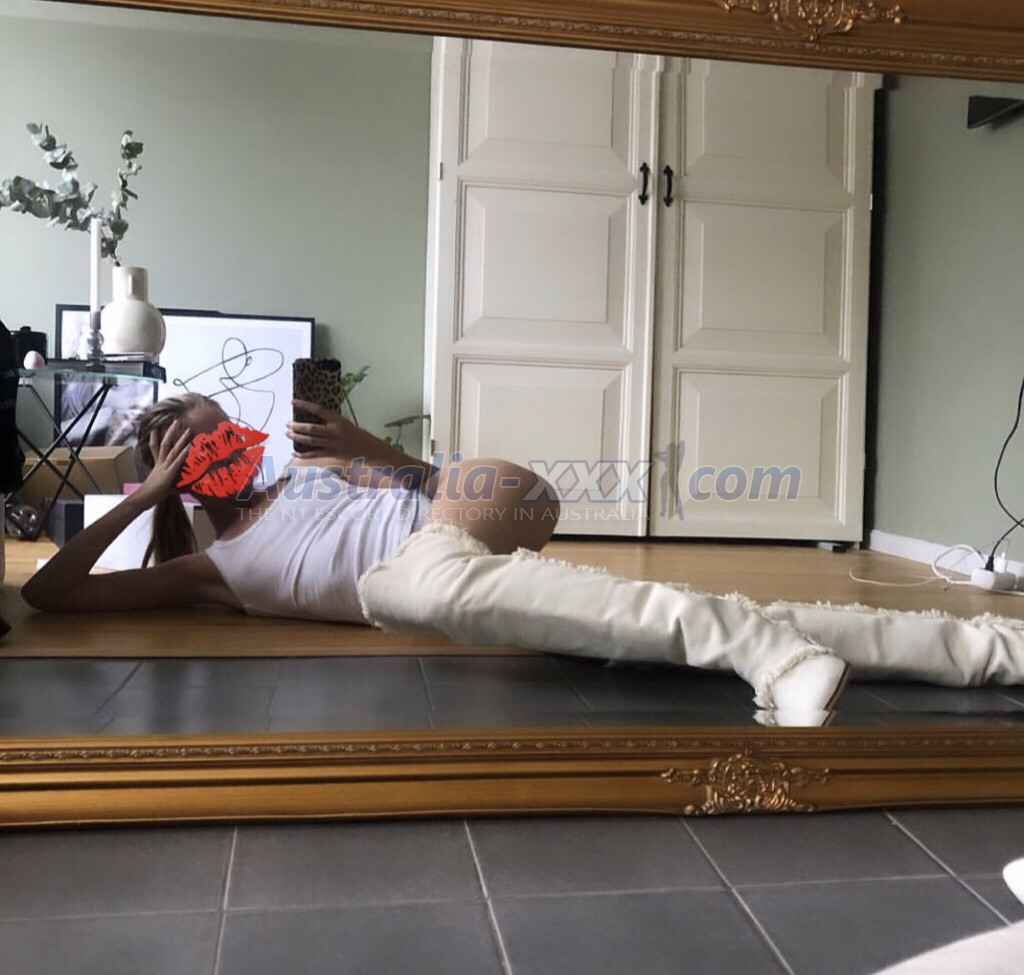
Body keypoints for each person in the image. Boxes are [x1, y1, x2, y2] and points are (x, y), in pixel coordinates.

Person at [21, 394, 1024, 715]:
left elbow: (454, 491)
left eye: (222, 425)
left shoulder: (315, 470)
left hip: (479, 500)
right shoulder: (209, 571)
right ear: (179, 475)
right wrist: (145, 497)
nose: (225, 442)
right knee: (625, 629)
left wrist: (369, 451)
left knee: (411, 585)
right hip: (454, 570)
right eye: (195, 445)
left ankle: (766, 653)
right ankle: (984, 652)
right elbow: (56, 597)